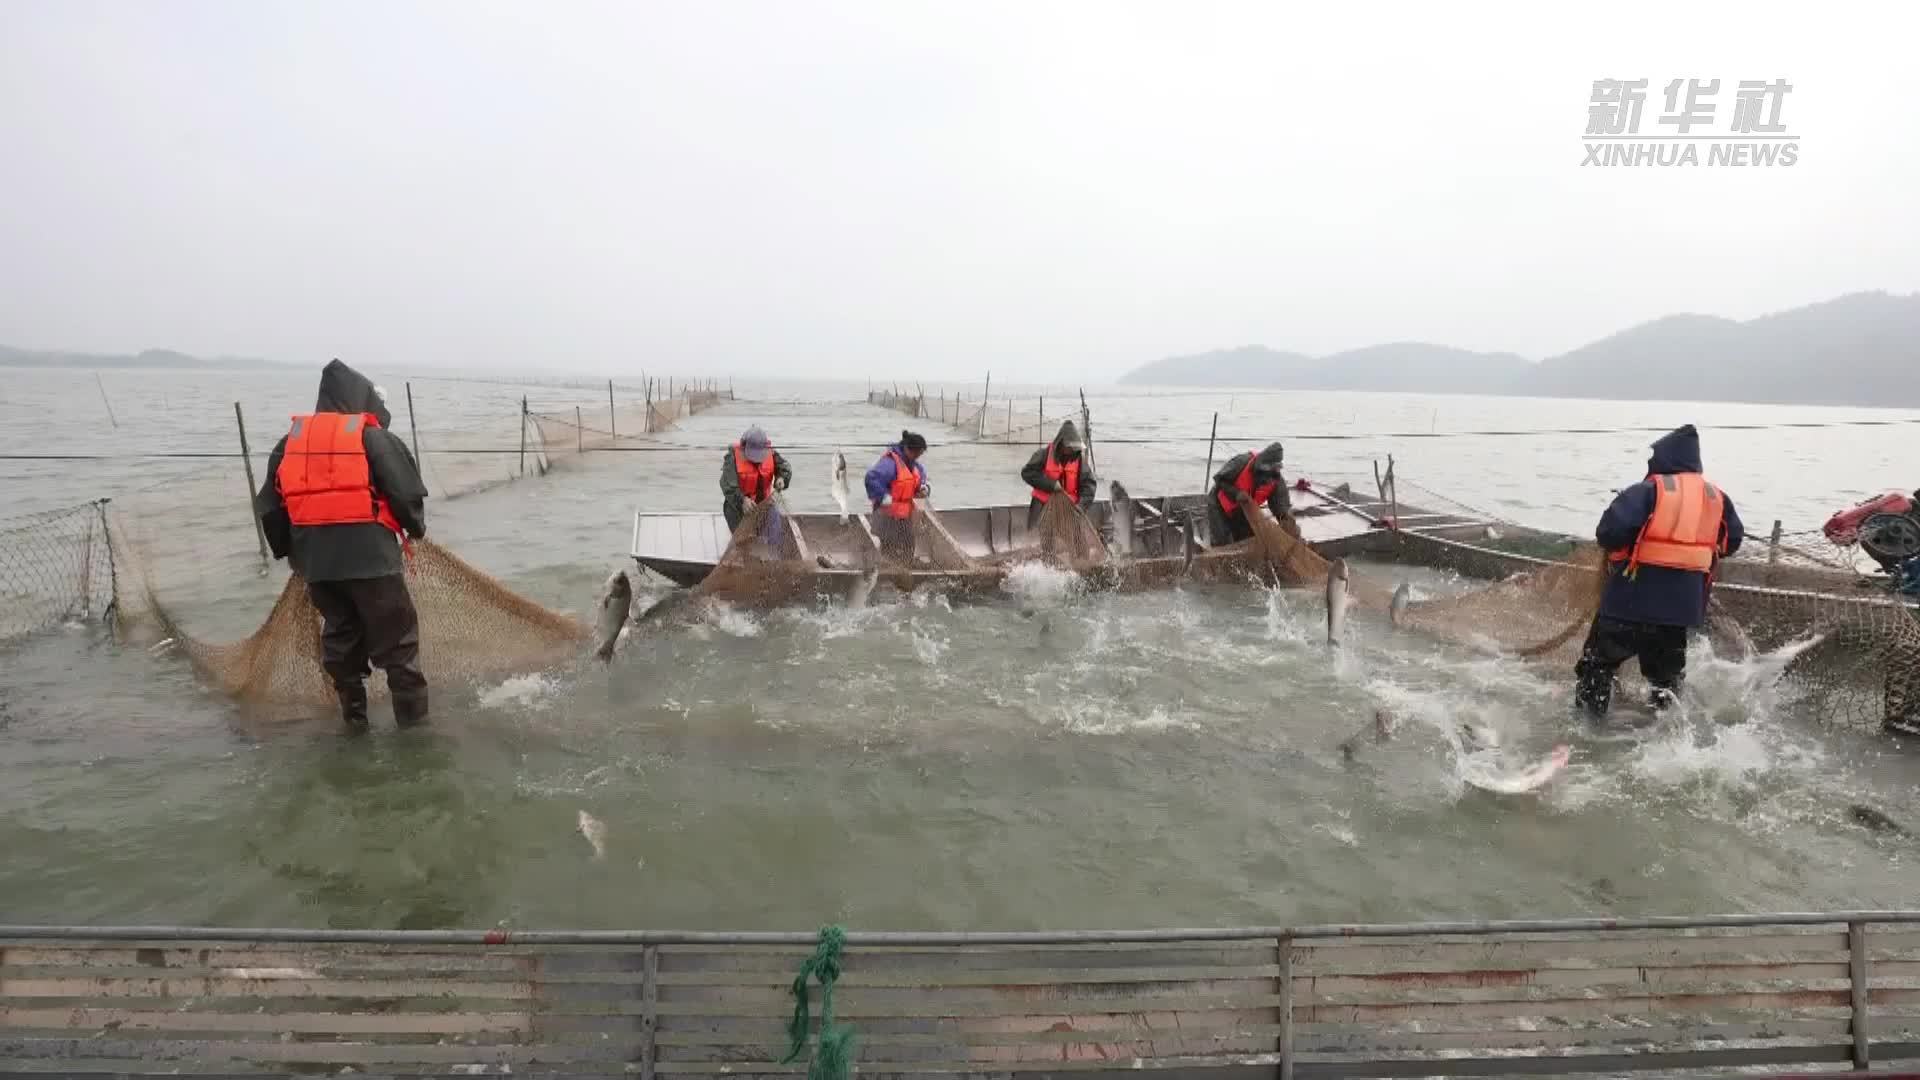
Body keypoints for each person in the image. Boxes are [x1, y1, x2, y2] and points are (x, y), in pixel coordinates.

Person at [256, 359, 430, 733]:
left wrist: (293, 554)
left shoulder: (288, 444)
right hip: (373, 566)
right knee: (399, 647)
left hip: (319, 571)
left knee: (340, 638)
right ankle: (415, 736)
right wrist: (415, 530)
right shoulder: (374, 437)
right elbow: (406, 493)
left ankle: (354, 725)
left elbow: (269, 508)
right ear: (362, 399)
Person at [1575, 424, 1744, 720]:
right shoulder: (1718, 498)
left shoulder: (1647, 491)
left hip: (1627, 605)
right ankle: (1665, 733)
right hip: (1678, 615)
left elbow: (1608, 533)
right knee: (1666, 682)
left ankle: (1589, 726)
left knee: (1596, 667)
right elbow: (1732, 542)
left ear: (1665, 457)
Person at [1206, 442, 1293, 545]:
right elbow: (1219, 478)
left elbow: (1281, 511)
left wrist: (1291, 528)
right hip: (1219, 505)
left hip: (1244, 511)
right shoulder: (1241, 462)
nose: (1265, 477)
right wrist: (1236, 493)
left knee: (1249, 541)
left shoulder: (1276, 483)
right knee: (1222, 541)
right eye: (1263, 470)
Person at [865, 430, 930, 561]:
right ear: (907, 449)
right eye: (916, 453)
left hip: (904, 517)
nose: (918, 456)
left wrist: (924, 487)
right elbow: (871, 479)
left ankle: (904, 571)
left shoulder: (914, 464)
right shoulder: (889, 464)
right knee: (889, 550)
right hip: (887, 517)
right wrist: (883, 496)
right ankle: (889, 574)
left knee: (908, 546)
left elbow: (921, 478)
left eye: (920, 454)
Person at [1021, 420, 1096, 527]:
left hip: (1068, 507)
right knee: (1036, 535)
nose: (1072, 450)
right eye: (1069, 447)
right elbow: (1027, 473)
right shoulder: (1043, 454)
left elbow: (1089, 486)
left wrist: (1081, 506)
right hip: (1043, 505)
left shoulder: (1080, 461)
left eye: (1074, 447)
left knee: (1074, 538)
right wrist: (1051, 484)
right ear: (1060, 444)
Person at [720, 426, 791, 532]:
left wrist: (781, 478)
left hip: (764, 504)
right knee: (742, 539)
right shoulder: (732, 457)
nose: (756, 460)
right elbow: (728, 486)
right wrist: (742, 500)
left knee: (776, 532)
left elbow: (784, 468)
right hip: (738, 507)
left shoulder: (771, 453)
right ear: (744, 446)